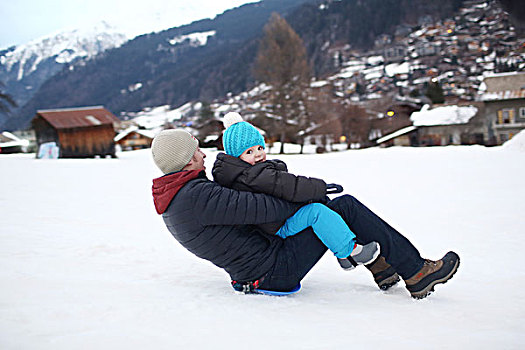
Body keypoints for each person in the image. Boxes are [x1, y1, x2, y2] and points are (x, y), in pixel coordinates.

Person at [151, 129, 460, 299]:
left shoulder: (183, 194)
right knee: (342, 206)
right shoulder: (196, 197)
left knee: (335, 209)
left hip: (263, 264)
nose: (203, 153)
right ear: (185, 160)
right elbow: (266, 208)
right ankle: (416, 272)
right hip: (271, 272)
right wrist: (311, 193)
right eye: (195, 150)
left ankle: (383, 267)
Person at [212, 112, 380, 272]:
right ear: (236, 156)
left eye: (259, 148)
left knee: (318, 209)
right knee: (317, 212)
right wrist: (320, 188)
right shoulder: (254, 175)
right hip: (278, 226)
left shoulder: (244, 173)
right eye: (249, 152)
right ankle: (351, 252)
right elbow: (290, 185)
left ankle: (343, 252)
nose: (258, 155)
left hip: (274, 221)